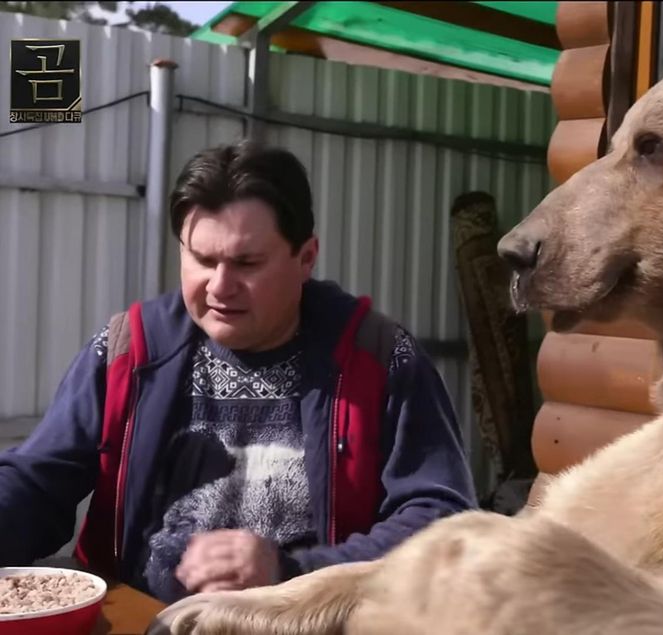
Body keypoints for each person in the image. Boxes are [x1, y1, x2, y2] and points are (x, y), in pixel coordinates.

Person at [0, 140, 478, 603]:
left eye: (246, 263)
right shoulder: (126, 352)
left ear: (306, 258)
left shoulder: (380, 358)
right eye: (202, 260)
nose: (220, 286)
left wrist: (293, 575)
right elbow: (38, 482)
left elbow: (442, 521)